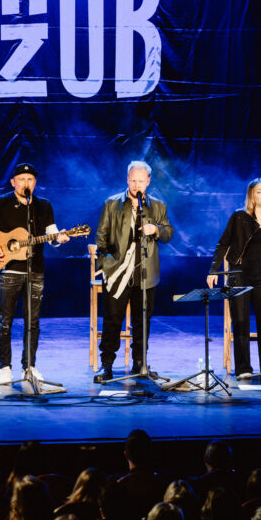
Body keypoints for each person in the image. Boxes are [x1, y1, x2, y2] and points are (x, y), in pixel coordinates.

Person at [0, 163, 69, 385]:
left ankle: (29, 366)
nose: (25, 183)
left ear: (35, 183)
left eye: (30, 179)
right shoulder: (1, 202)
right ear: (13, 182)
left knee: (33, 322)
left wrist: (59, 239)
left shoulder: (44, 205)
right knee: (5, 321)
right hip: (9, 270)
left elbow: (51, 234)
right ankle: (4, 368)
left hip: (36, 270)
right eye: (21, 179)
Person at [93, 160, 174, 383]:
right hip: (117, 271)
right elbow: (101, 236)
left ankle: (140, 363)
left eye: (141, 181)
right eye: (133, 180)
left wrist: (155, 229)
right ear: (127, 180)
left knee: (142, 319)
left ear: (148, 182)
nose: (136, 185)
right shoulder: (112, 203)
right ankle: (107, 365)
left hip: (145, 271)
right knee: (113, 319)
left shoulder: (157, 206)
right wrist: (106, 264)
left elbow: (168, 232)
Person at [206, 178, 261, 378]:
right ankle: (243, 368)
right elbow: (223, 243)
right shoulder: (240, 217)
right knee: (241, 321)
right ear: (251, 195)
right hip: (239, 274)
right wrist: (213, 270)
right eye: (259, 192)